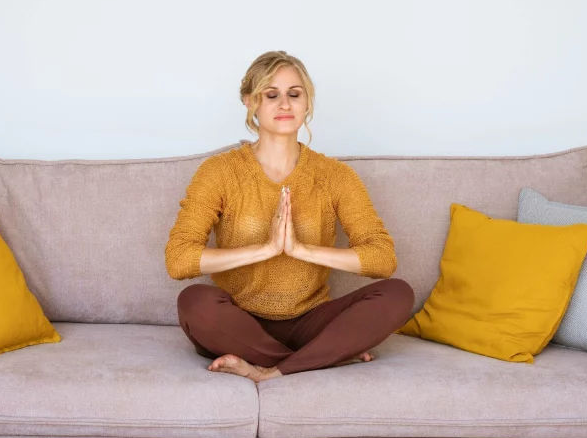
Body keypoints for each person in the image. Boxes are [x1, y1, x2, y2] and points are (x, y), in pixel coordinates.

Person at [165, 50, 415, 383]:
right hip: (240, 324)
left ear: (307, 103)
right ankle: (322, 360)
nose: (285, 104)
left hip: (311, 323)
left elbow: (383, 259)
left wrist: (300, 250)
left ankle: (270, 371)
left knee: (398, 293)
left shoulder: (335, 176)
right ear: (249, 101)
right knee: (194, 302)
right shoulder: (220, 172)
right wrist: (266, 249)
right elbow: (178, 259)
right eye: (272, 95)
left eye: (294, 94)